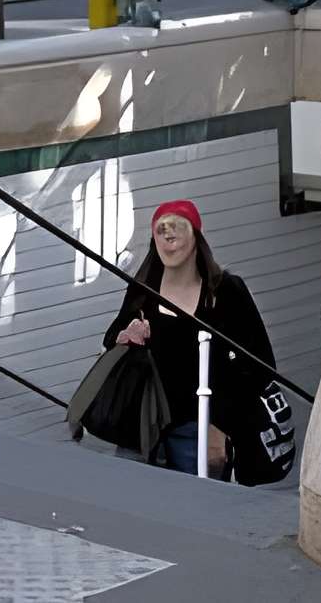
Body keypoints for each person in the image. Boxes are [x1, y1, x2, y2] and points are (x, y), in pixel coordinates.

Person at [105, 200, 277, 478]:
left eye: (178, 228)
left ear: (196, 236)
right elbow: (112, 337)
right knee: (131, 498)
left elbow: (260, 365)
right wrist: (125, 335)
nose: (169, 236)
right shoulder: (144, 290)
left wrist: (219, 426)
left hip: (196, 427)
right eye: (161, 231)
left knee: (196, 507)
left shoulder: (226, 291)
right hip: (141, 422)